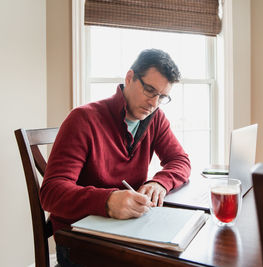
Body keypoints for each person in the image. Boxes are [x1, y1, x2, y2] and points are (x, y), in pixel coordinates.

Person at [40, 49, 191, 263]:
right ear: (129, 78)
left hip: (127, 231)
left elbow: (180, 161)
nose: (154, 103)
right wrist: (108, 201)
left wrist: (160, 183)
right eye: (149, 90)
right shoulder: (83, 119)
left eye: (162, 97)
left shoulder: (155, 119)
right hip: (80, 242)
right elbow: (51, 193)